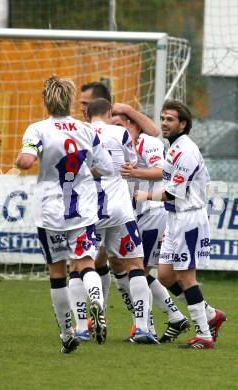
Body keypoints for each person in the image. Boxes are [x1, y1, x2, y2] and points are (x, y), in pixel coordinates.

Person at [15, 76, 114, 354]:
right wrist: (82, 169)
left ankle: (67, 334)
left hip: (51, 212)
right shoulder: (85, 129)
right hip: (82, 210)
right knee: (85, 263)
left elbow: (26, 160)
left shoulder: (37, 130)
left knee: (57, 273)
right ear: (70, 100)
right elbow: (105, 167)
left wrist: (22, 160)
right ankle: (96, 298)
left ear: (45, 100)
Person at [135, 99, 226, 349]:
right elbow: (161, 173)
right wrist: (133, 171)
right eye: (163, 118)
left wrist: (146, 195)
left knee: (186, 277)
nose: (164, 123)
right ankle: (209, 314)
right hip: (174, 219)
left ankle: (204, 336)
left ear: (183, 124)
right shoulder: (173, 147)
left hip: (189, 219)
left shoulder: (186, 151)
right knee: (165, 275)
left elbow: (174, 193)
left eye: (170, 119)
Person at [114, 106, 190, 343]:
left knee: (138, 270)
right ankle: (175, 317)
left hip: (152, 213)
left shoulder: (148, 142)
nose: (115, 131)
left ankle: (145, 328)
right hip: (131, 217)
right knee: (134, 270)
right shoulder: (114, 146)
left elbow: (162, 172)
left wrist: (133, 172)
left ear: (134, 125)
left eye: (120, 125)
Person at [87, 98, 159, 344]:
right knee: (135, 265)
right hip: (119, 209)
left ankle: (83, 324)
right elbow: (131, 163)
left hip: (89, 211)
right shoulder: (120, 132)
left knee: (83, 265)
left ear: (86, 114)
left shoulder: (79, 133)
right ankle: (142, 328)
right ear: (109, 112)